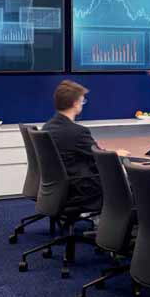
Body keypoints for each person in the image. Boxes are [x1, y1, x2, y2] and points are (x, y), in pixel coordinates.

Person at [41, 80, 106, 210]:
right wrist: (115, 154)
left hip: (59, 186)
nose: (82, 104)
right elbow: (102, 160)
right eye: (82, 101)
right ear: (75, 104)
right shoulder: (78, 132)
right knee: (124, 183)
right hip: (80, 187)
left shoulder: (47, 127)